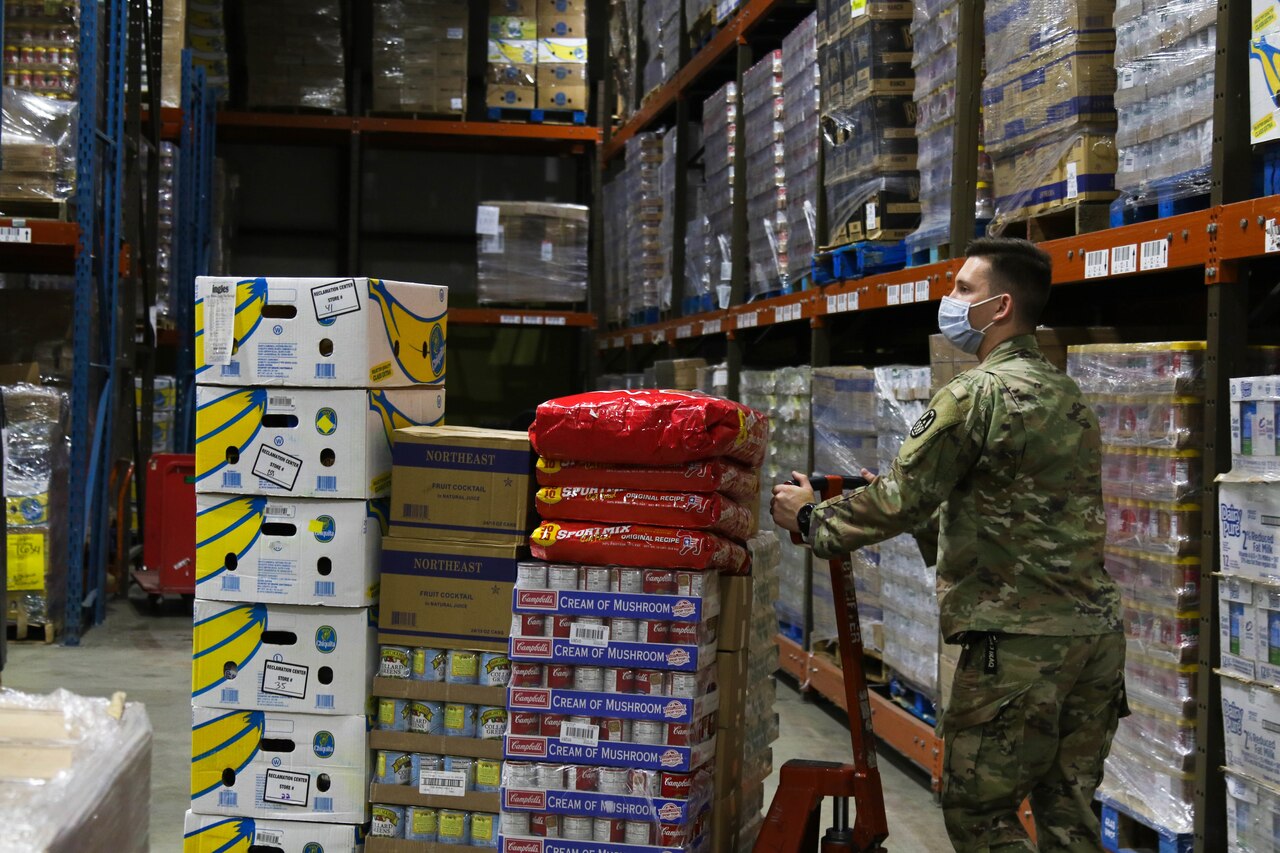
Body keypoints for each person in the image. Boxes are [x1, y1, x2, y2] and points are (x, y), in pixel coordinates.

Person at [771, 237, 1126, 853]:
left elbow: (904, 497)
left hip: (1015, 644)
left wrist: (811, 519)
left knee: (979, 813)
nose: (949, 299)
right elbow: (1013, 505)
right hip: (1093, 639)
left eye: (964, 289)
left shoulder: (974, 394)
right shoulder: (1065, 395)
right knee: (1068, 817)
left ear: (1000, 307)